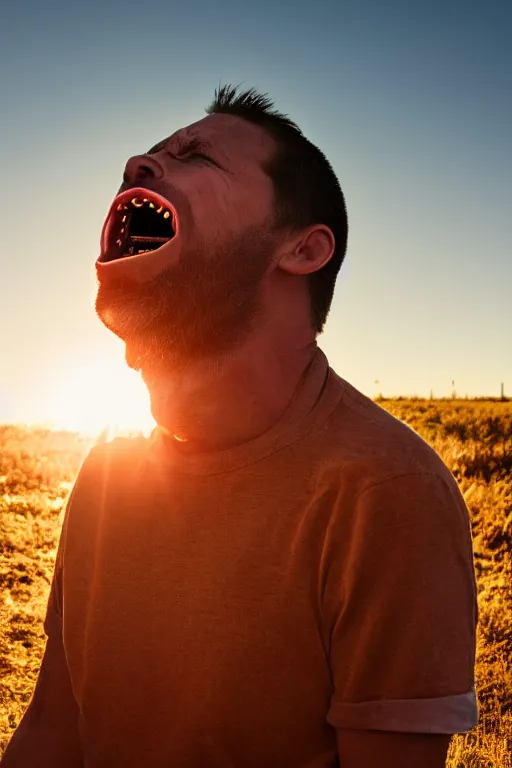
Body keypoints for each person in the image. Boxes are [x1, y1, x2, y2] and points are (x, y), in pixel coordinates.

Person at [2, 85, 479, 768]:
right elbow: (52, 733)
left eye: (196, 157)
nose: (137, 163)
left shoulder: (386, 492)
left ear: (302, 249)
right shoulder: (108, 476)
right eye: (150, 155)